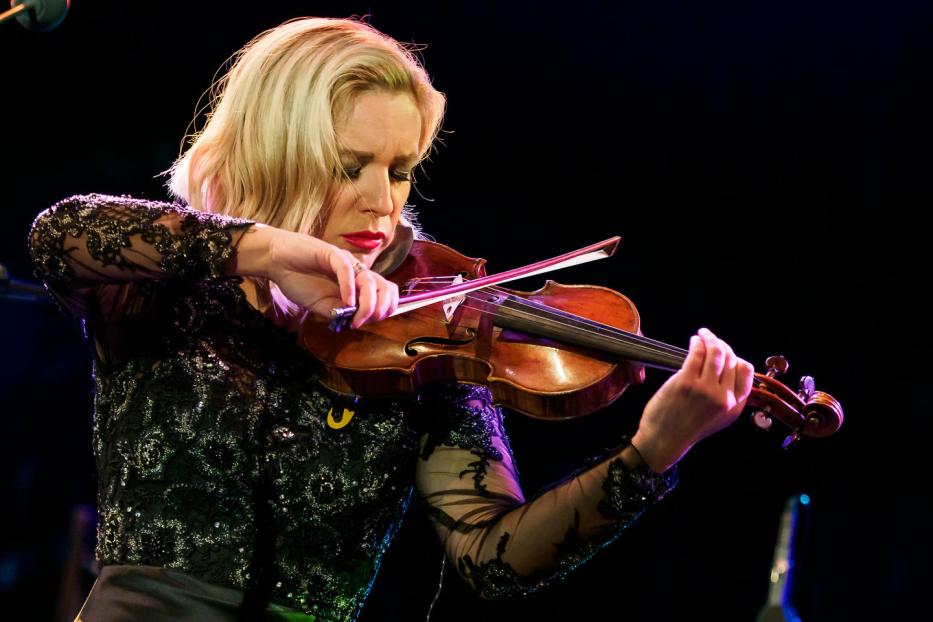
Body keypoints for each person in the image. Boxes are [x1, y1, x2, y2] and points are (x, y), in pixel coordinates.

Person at [28, 17, 755, 622]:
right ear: (275, 153)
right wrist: (270, 250)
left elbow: (492, 555)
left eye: (400, 169)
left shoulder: (428, 339)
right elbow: (60, 233)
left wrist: (652, 453)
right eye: (349, 167)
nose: (383, 202)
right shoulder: (163, 288)